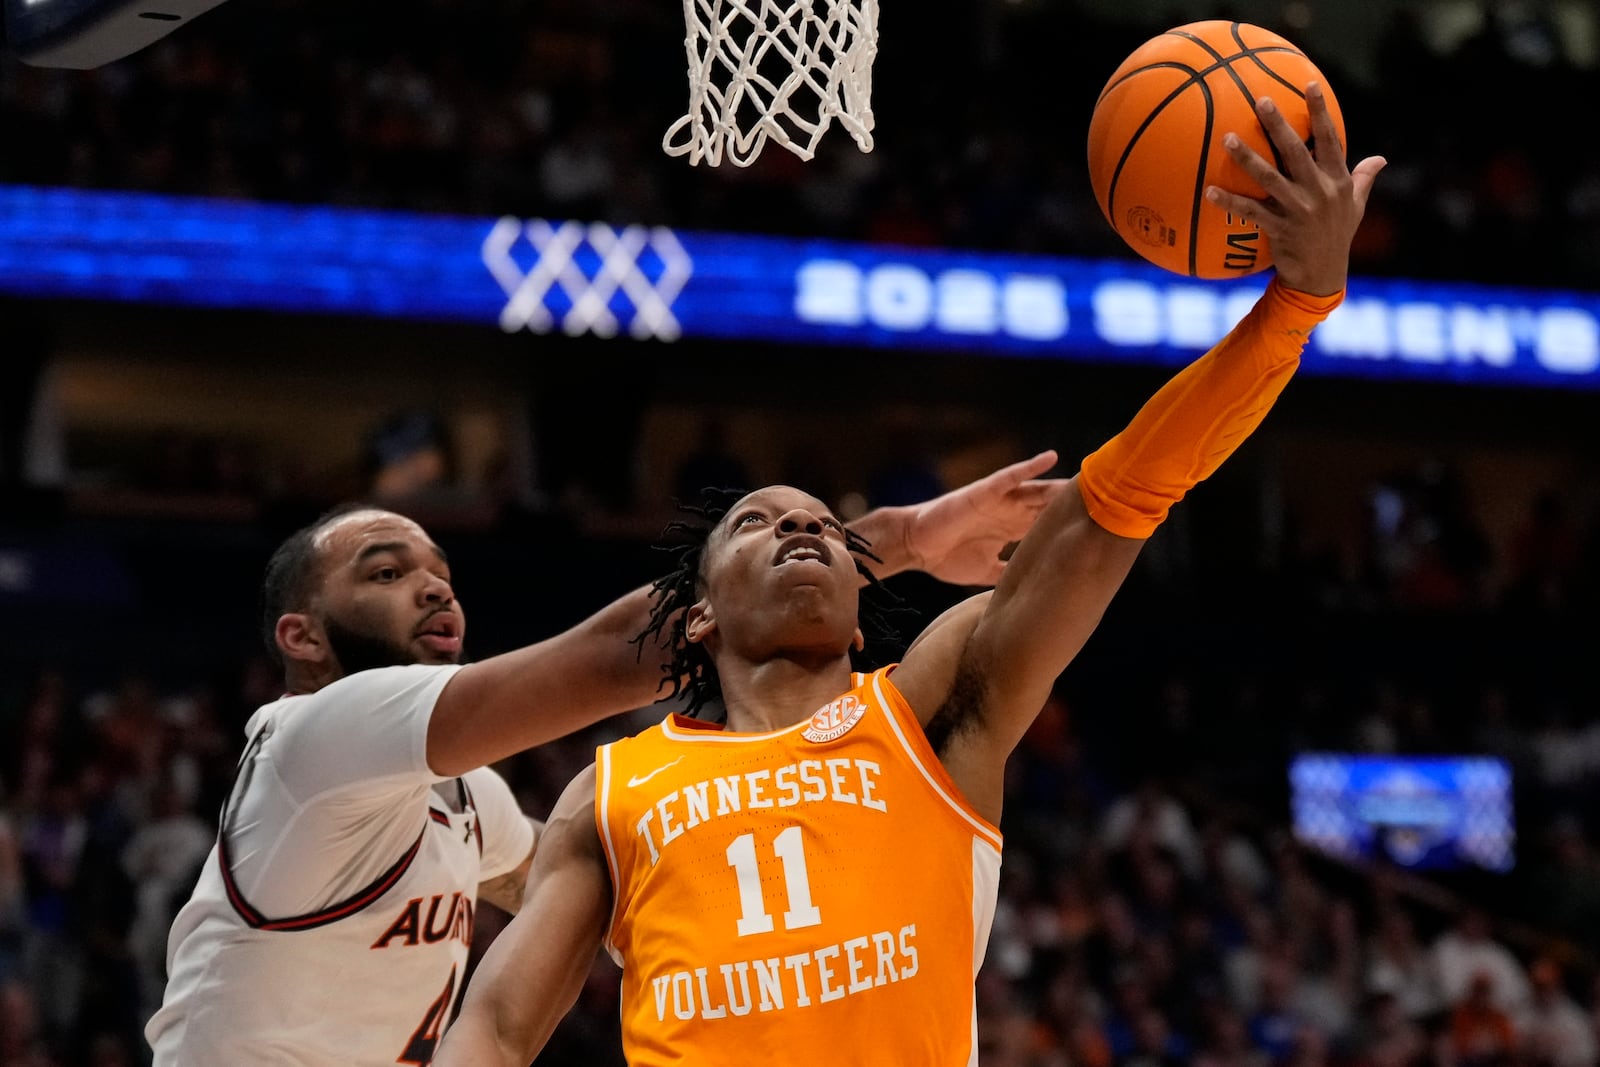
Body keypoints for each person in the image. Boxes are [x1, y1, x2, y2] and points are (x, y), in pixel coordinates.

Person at [437, 84, 1384, 1066]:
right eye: (755, 521)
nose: (800, 523)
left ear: (859, 616)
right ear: (702, 615)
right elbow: (501, 1026)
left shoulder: (931, 710)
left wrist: (1293, 310)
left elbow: (1119, 497)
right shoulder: (614, 790)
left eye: (817, 521)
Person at [142, 454, 1069, 1066]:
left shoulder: (461, 796)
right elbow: (622, 651)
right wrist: (897, 539)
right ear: (301, 637)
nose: (431, 584)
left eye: (441, 571)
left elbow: (602, 874)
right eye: (385, 573)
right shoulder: (316, 736)